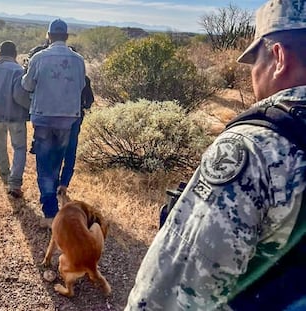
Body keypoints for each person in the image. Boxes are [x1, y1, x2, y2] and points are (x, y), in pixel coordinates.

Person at [125, 0, 306, 310]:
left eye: (255, 62)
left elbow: (170, 294)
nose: (253, 75)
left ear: (277, 57)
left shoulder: (254, 148)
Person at [21, 19, 86, 227]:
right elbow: (82, 85)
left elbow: (27, 85)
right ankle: (56, 196)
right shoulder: (78, 60)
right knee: (58, 158)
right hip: (68, 118)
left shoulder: (39, 58)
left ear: (48, 36)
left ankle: (50, 213)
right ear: (66, 37)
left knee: (44, 162)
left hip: (43, 116)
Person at [0, 40, 30, 199]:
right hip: (14, 116)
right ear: (15, 54)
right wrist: (30, 108)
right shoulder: (17, 70)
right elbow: (19, 96)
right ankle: (14, 183)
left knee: (0, 146)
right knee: (19, 148)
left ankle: (4, 176)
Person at [58, 75, 94, 194]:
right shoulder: (83, 78)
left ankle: (53, 180)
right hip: (75, 116)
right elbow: (89, 101)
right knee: (71, 149)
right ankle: (64, 184)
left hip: (56, 116)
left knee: (56, 149)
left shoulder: (57, 76)